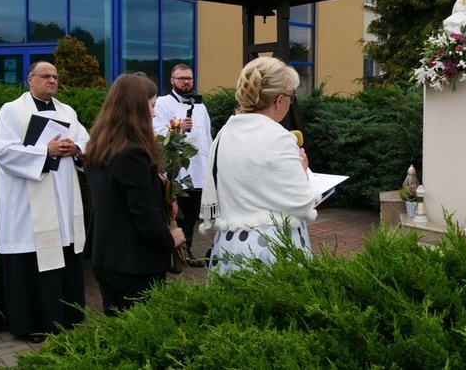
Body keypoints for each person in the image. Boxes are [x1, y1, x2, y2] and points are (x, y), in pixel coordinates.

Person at [0, 61, 90, 343]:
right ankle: (33, 324)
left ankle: (67, 316)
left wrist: (77, 147)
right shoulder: (12, 110)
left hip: (62, 198)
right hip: (28, 202)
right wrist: (43, 151)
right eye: (46, 76)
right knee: (33, 259)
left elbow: (86, 140)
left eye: (56, 77)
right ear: (30, 79)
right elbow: (2, 151)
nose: (52, 80)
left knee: (64, 254)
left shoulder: (66, 111)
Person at [201, 57, 320, 275]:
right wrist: (303, 172)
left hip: (229, 245)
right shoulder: (280, 139)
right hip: (273, 248)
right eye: (292, 97)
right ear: (279, 100)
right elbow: (303, 204)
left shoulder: (223, 135)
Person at [83, 73, 186, 314]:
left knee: (116, 331)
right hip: (134, 263)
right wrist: (170, 240)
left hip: (105, 257)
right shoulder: (132, 153)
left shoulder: (99, 145)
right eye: (151, 106)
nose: (153, 114)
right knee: (140, 337)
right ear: (137, 107)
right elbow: (144, 212)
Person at [153, 64, 212, 270]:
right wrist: (176, 127)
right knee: (173, 215)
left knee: (190, 216)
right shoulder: (162, 103)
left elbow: (207, 137)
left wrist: (210, 164)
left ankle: (186, 252)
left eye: (189, 78)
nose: (186, 82)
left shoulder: (200, 106)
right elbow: (155, 131)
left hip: (198, 171)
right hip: (175, 170)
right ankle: (170, 255)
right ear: (172, 80)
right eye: (181, 78)